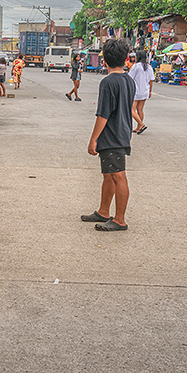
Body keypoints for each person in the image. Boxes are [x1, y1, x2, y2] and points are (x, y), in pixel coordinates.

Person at [82, 38, 133, 231]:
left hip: (112, 136)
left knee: (118, 176)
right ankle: (104, 211)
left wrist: (93, 139)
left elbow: (103, 114)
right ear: (125, 58)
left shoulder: (108, 82)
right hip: (122, 132)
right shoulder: (128, 80)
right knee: (108, 174)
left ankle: (120, 219)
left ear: (105, 60)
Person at [128, 52, 153, 133]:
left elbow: (130, 78)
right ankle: (138, 128)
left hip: (136, 90)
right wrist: (150, 91)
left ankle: (141, 124)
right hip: (145, 90)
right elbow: (151, 80)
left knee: (131, 110)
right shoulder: (149, 67)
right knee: (140, 109)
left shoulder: (136, 66)